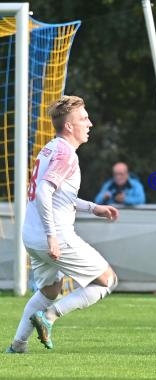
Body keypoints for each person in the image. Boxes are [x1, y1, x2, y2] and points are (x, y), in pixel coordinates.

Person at [6, 95, 119, 353]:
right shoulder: (66, 154)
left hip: (31, 236)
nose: (89, 123)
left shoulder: (50, 148)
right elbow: (45, 192)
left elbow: (57, 194)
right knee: (107, 280)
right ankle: (50, 316)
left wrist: (93, 207)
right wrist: (52, 236)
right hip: (53, 236)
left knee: (50, 289)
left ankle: (17, 345)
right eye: (83, 119)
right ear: (69, 126)